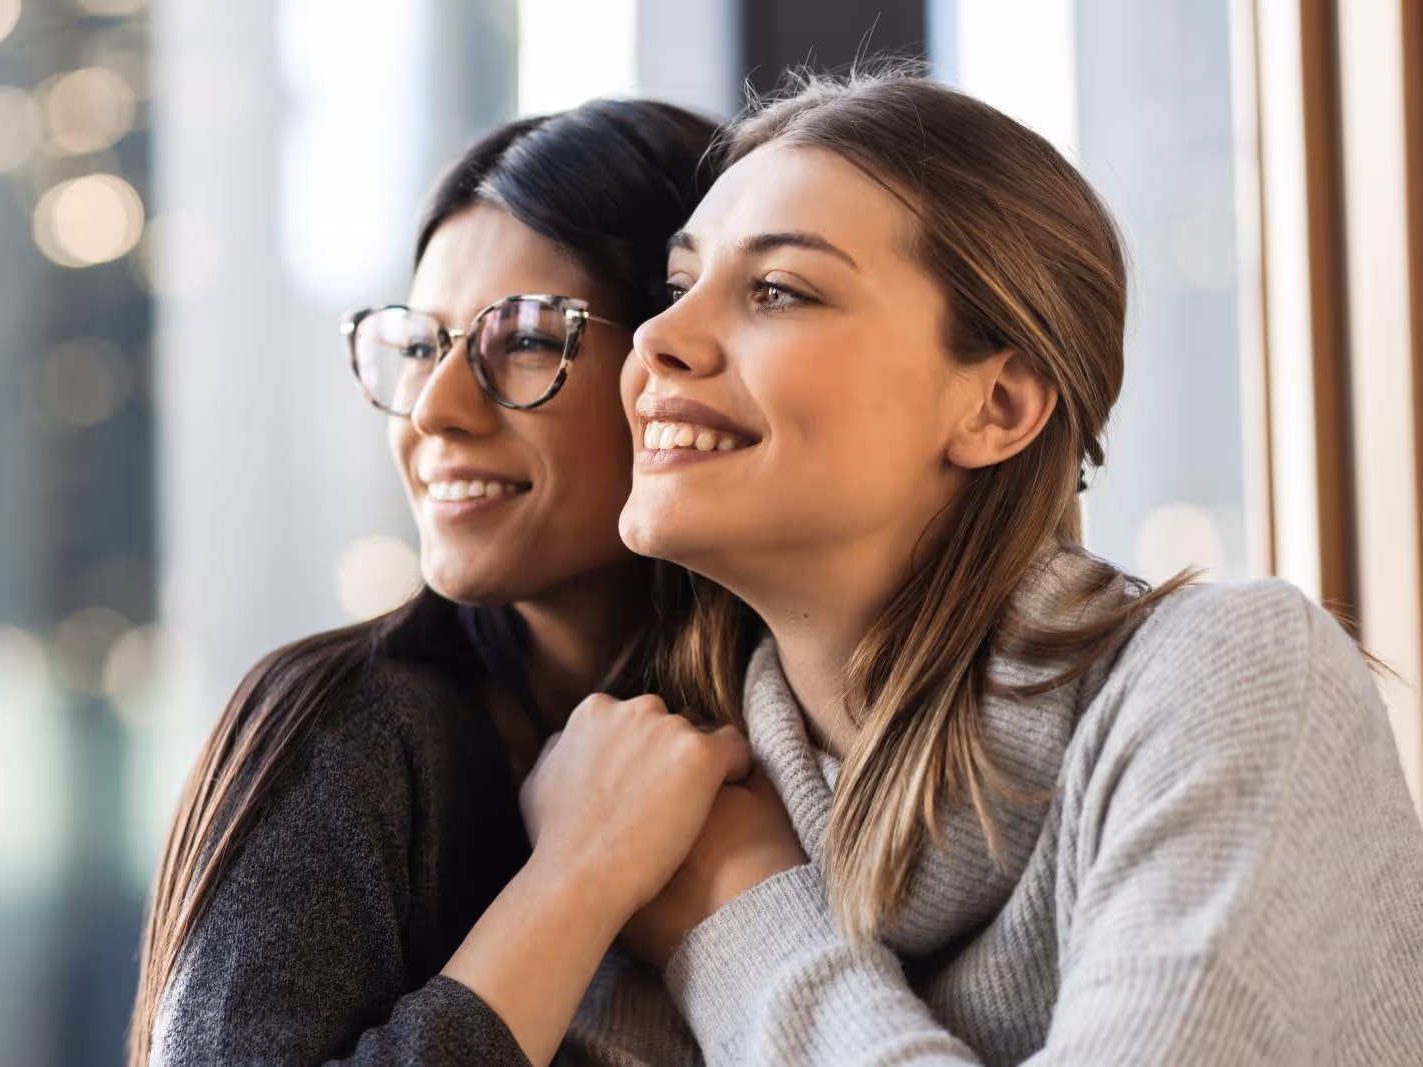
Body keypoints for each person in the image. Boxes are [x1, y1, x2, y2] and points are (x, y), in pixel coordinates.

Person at [527, 70, 1423, 1064]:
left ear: (995, 406)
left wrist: (742, 916)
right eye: (677, 286)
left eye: (777, 289)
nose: (656, 340)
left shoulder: (1233, 674)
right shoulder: (660, 789)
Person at [130, 99, 736, 1066]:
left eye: (529, 337)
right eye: (421, 346)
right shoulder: (351, 729)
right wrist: (575, 878)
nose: (436, 410)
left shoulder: (814, 726)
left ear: (680, 360)